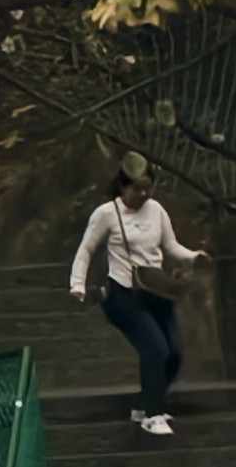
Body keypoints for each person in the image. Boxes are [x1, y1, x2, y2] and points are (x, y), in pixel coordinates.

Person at [72, 150, 206, 436]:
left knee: (174, 354)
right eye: (137, 189)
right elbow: (86, 249)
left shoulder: (156, 210)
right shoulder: (107, 214)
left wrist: (193, 256)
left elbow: (171, 247)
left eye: (147, 188)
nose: (143, 194)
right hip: (125, 294)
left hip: (155, 290)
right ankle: (153, 416)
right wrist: (78, 283)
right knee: (155, 349)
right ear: (123, 186)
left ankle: (144, 403)